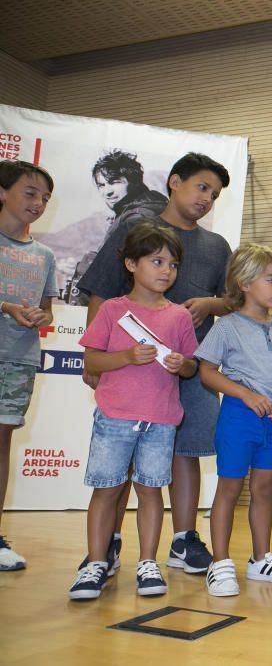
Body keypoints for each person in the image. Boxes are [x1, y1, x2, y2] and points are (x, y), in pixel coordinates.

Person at [77, 152, 232, 576]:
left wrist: (211, 303)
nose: (207, 199)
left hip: (191, 363)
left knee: (187, 451)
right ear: (175, 182)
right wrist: (98, 358)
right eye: (202, 187)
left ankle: (183, 540)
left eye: (214, 195)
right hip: (134, 368)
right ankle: (105, 544)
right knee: (125, 455)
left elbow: (233, 299)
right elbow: (101, 290)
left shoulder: (217, 245)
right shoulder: (135, 230)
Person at [69, 223, 199, 600]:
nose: (165, 271)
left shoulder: (178, 317)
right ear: (130, 264)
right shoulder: (112, 310)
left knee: (150, 490)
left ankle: (148, 562)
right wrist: (125, 356)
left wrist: (181, 364)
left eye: (172, 264)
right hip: (115, 417)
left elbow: (192, 365)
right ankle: (96, 562)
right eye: (156, 261)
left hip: (160, 420)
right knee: (107, 489)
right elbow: (92, 358)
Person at [196, 244, 272, 596]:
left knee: (263, 489)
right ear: (244, 282)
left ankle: (261, 559)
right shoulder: (227, 327)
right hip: (238, 418)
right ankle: (221, 562)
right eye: (271, 280)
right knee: (229, 488)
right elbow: (206, 372)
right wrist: (245, 394)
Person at [0, 161, 58, 572]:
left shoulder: (45, 255)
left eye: (44, 198)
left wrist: (39, 317)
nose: (37, 203)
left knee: (1, 441)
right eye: (30, 193)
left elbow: (47, 310)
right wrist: (5, 306)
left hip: (18, 359)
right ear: (3, 192)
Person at [64, 150, 169, 305]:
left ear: (133, 181)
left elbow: (120, 273)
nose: (108, 192)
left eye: (114, 182)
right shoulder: (140, 210)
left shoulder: (137, 218)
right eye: (101, 185)